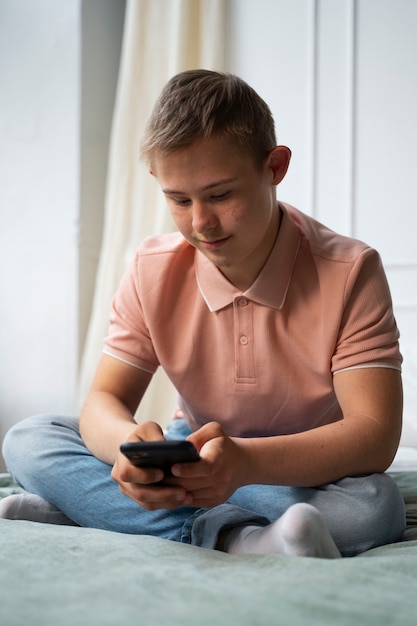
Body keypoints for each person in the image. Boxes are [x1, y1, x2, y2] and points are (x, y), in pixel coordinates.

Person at [0, 69, 406, 558]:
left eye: (220, 195)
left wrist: (245, 463)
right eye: (179, 199)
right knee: (29, 439)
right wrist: (131, 448)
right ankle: (244, 539)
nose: (200, 222)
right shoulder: (151, 269)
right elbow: (103, 400)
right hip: (191, 455)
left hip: (298, 470)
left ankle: (98, 515)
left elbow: (374, 435)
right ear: (158, 181)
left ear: (275, 167)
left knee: (374, 506)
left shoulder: (350, 270)